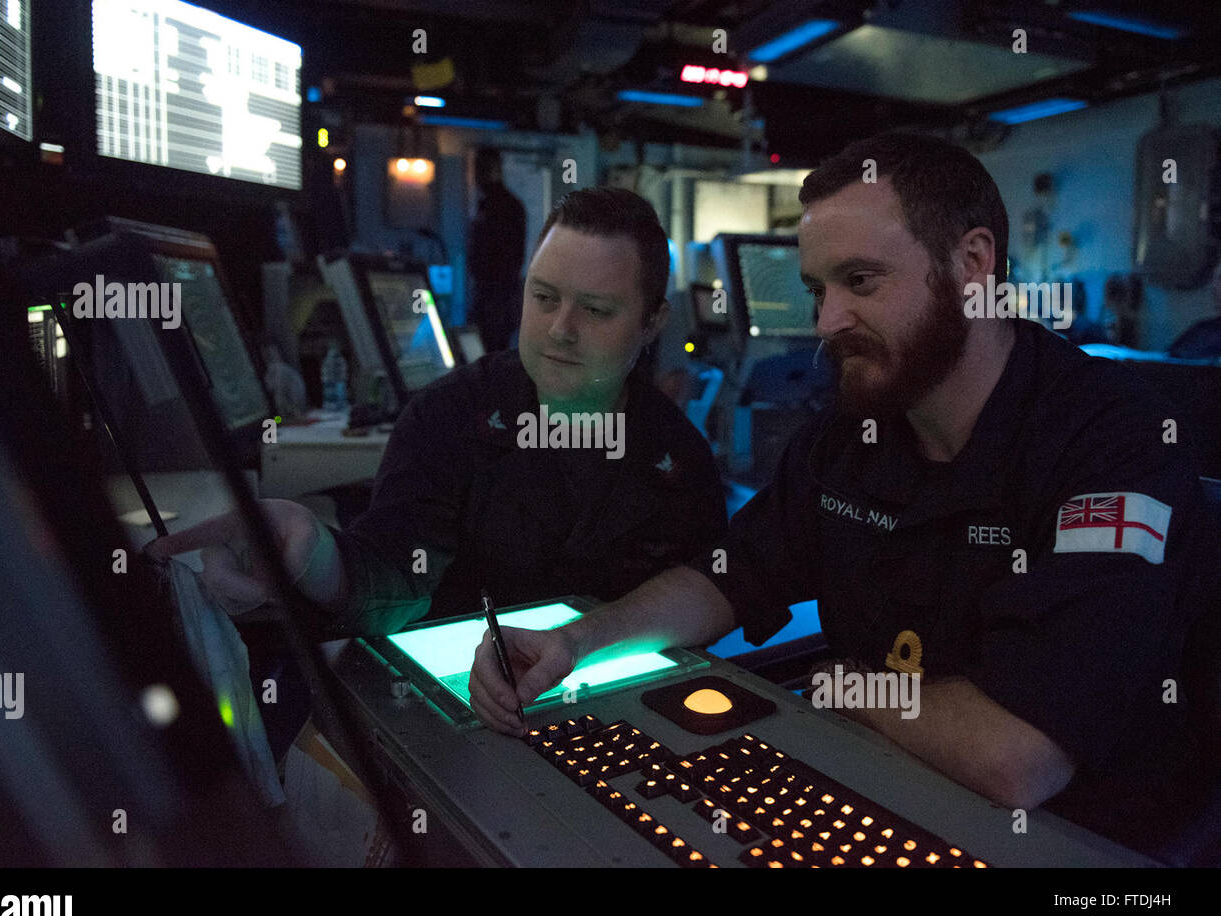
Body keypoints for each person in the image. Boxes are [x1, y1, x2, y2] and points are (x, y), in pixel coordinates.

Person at [469, 133, 1216, 857]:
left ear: (973, 265)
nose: (826, 323)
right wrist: (579, 640)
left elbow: (1016, 758)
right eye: (817, 291)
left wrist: (840, 685)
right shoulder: (854, 438)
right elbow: (725, 578)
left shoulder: (1113, 446)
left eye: (860, 282)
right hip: (895, 788)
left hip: (1086, 848)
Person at [146, 186, 727, 641]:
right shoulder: (450, 415)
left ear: (653, 323)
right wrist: (314, 552)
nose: (559, 330)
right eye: (544, 297)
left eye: (596, 310)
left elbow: (698, 611)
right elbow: (397, 567)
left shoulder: (681, 464)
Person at [467, 146, 527, 353]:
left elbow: (501, 258)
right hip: (499, 296)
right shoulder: (503, 204)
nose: (476, 175)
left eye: (479, 169)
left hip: (495, 297)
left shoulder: (498, 207)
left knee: (491, 353)